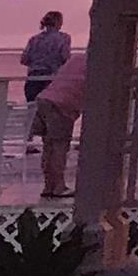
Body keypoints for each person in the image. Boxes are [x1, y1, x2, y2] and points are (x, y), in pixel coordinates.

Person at [34, 48, 87, 201]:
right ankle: (58, 186)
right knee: (59, 147)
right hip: (62, 105)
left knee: (48, 146)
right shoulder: (98, 66)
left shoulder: (76, 58)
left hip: (44, 99)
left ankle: (48, 186)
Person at [21, 11, 71, 103]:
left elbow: (24, 60)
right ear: (58, 23)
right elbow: (65, 57)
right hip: (51, 79)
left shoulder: (34, 39)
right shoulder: (64, 38)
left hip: (33, 79)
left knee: (32, 107)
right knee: (50, 108)